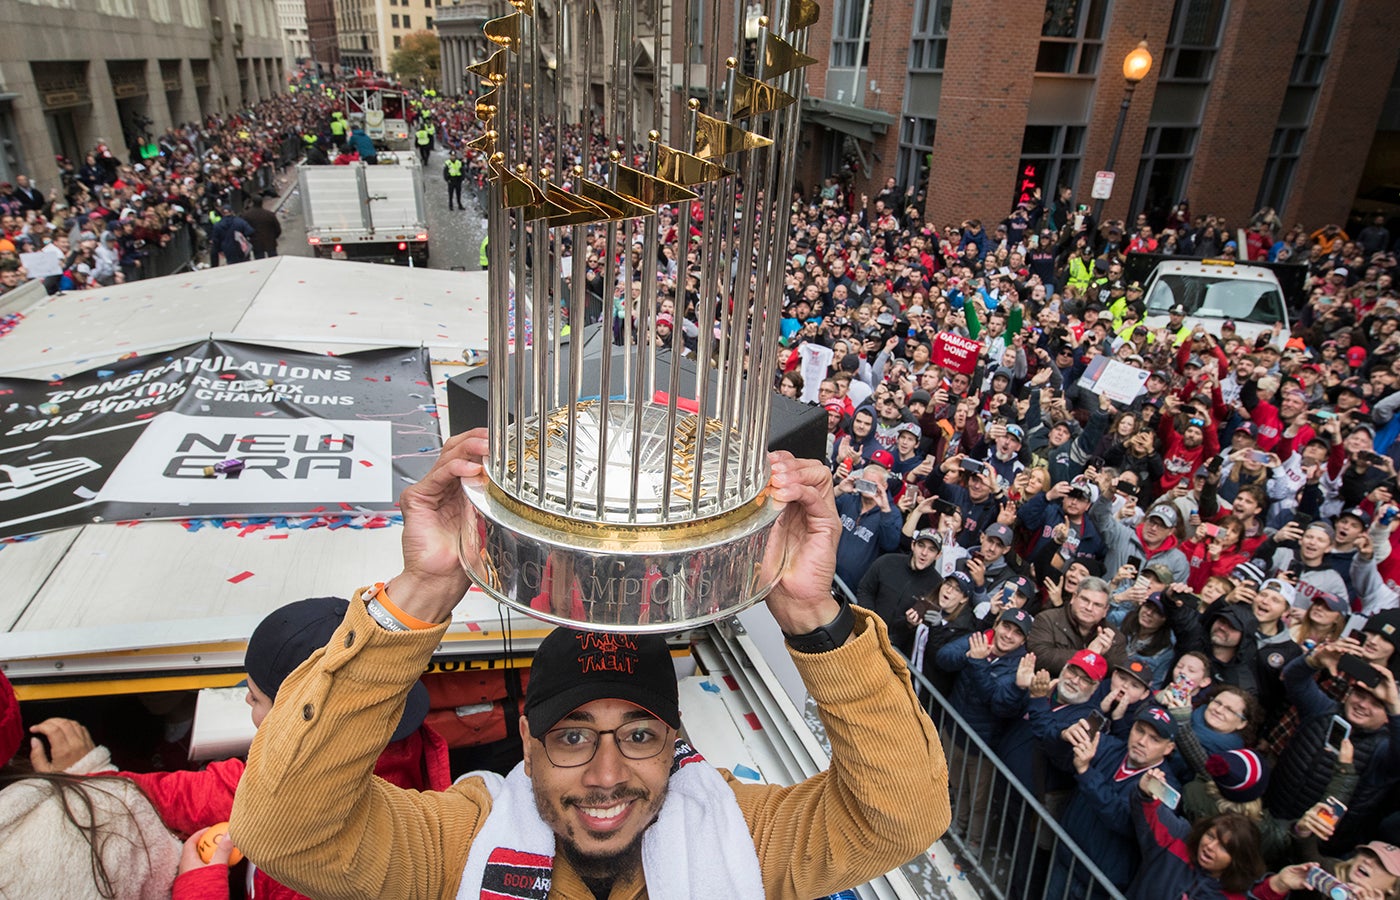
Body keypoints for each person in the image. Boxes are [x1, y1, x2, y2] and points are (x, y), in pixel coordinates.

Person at [230, 430, 951, 899]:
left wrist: (810, 614)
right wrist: (421, 593)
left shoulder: (743, 836)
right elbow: (286, 831)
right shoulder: (458, 847)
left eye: (638, 735)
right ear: (526, 742)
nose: (607, 777)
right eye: (573, 735)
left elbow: (901, 816)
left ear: (677, 745)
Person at [208, 203, 254, 268]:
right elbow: (250, 231)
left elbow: (216, 241)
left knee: (233, 266)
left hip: (228, 250)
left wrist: (219, 250)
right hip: (241, 247)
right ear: (231, 212)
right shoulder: (239, 221)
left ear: (222, 213)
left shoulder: (217, 226)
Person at [241, 193, 282, 260]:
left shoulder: (246, 216)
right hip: (270, 241)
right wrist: (273, 237)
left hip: (256, 243)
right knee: (273, 260)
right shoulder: (269, 215)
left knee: (260, 261)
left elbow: (244, 230)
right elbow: (278, 229)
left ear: (252, 203)